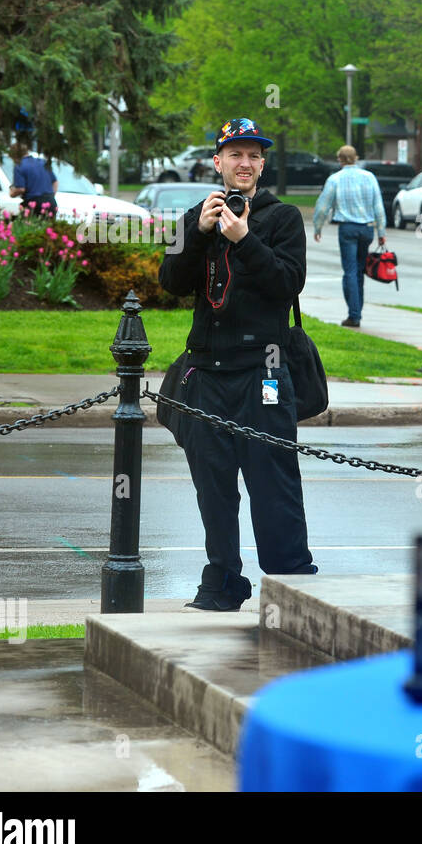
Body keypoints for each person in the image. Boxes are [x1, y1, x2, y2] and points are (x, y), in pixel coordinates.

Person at [158, 117, 317, 611]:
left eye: (253, 156)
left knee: (274, 483)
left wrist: (245, 239)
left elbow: (286, 284)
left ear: (262, 164)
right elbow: (170, 280)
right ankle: (223, 580)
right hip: (207, 372)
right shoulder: (198, 216)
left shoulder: (282, 218)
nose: (244, 163)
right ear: (218, 162)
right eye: (235, 155)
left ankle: (292, 583)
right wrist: (199, 230)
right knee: (214, 486)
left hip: (263, 373)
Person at [313, 146, 385, 328]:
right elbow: (378, 206)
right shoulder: (369, 177)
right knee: (359, 270)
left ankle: (354, 314)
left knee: (350, 271)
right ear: (356, 158)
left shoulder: (335, 179)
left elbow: (323, 206)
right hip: (367, 229)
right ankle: (357, 311)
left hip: (347, 228)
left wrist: (317, 227)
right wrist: (381, 233)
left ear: (339, 160)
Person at [8, 141, 58, 218]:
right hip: (51, 203)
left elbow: (21, 189)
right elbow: (55, 182)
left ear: (14, 155)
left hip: (34, 205)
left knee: (25, 227)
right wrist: (50, 197)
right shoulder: (42, 162)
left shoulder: (19, 165)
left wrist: (12, 193)